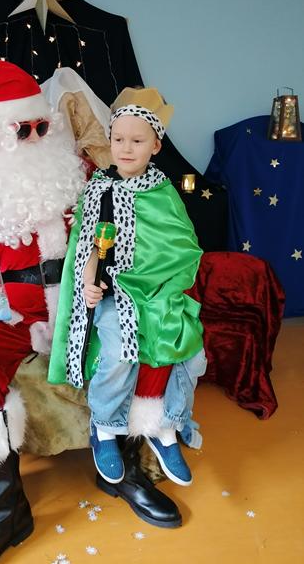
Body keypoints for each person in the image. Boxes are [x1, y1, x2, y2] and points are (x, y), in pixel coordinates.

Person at [0, 62, 183, 564]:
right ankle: (5, 510)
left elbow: (127, 231)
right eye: (23, 130)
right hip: (10, 308)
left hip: (86, 296)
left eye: (43, 126)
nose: (39, 138)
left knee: (140, 326)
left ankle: (123, 469)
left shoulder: (82, 172)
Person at [49, 86, 207, 490]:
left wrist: (168, 287)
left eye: (137, 141)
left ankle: (165, 425)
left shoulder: (163, 192)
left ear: (155, 145)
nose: (126, 148)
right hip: (115, 291)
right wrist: (89, 283)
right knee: (121, 349)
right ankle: (104, 425)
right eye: (118, 139)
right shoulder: (99, 188)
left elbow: (183, 245)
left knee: (183, 343)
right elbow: (87, 245)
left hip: (159, 289)